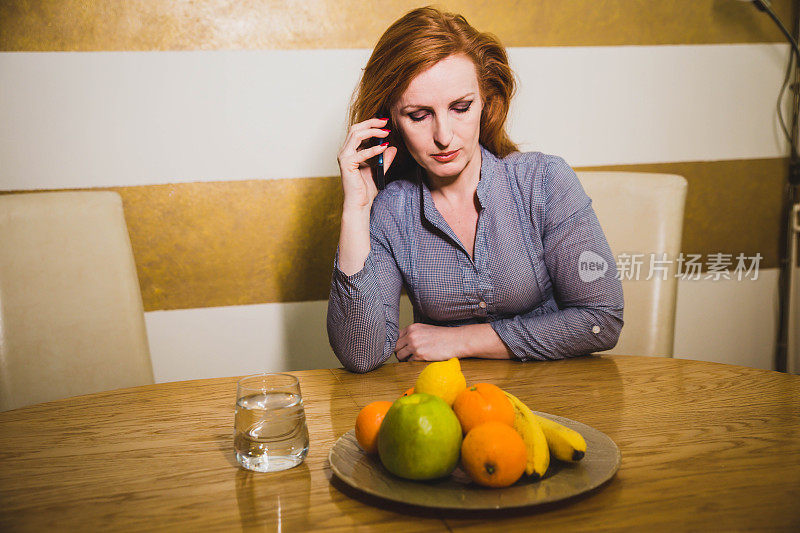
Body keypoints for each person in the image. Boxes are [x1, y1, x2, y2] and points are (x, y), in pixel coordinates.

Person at [327, 6, 623, 373]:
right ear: (388, 122)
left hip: (560, 397)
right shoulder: (389, 211)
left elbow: (600, 320)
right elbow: (361, 354)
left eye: (461, 107)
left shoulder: (544, 181)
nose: (443, 136)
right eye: (419, 115)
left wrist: (460, 340)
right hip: (449, 410)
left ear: (486, 101)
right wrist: (355, 209)